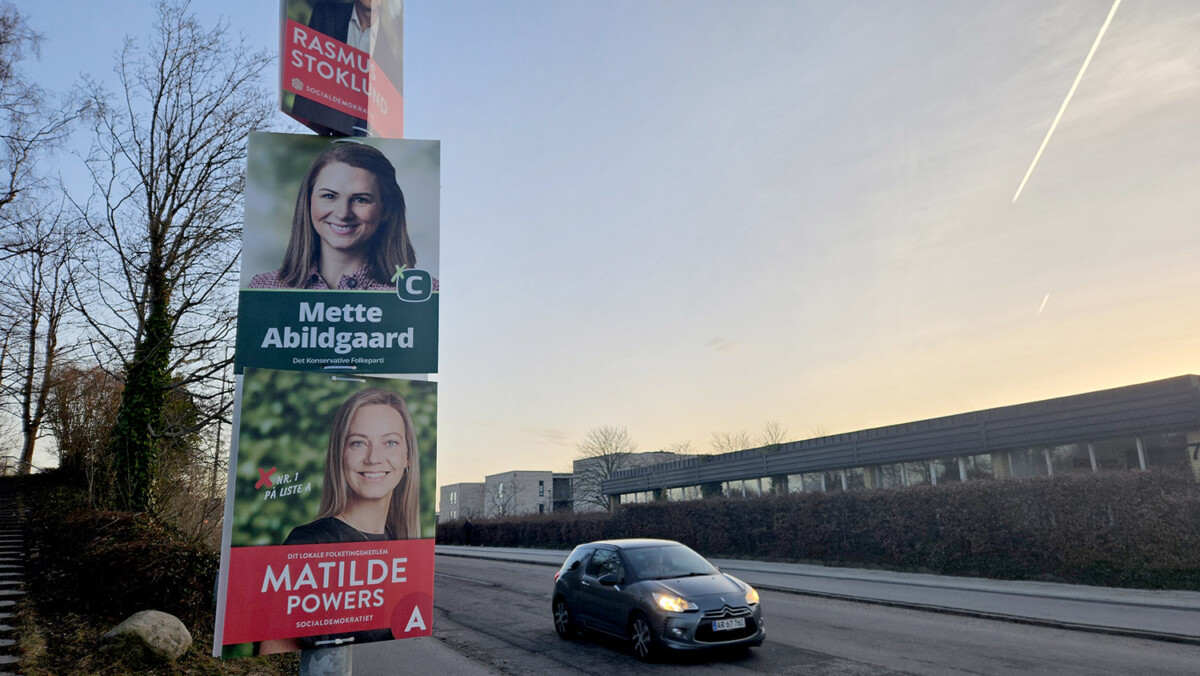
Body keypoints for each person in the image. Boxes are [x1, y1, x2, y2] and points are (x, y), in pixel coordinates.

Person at [259, 388, 420, 654]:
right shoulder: (308, 543)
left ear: (407, 458)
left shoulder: (405, 548)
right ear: (339, 453)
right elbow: (274, 652)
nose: (373, 457)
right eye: (358, 442)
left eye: (390, 442)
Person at [249, 142, 421, 291]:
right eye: (329, 196)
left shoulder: (420, 292)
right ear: (308, 202)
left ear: (385, 210)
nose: (343, 213)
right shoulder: (264, 287)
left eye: (360, 199)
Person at [290, 0, 376, 135]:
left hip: (364, 130)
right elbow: (309, 72)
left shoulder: (391, 46)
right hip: (326, 124)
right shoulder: (326, 12)